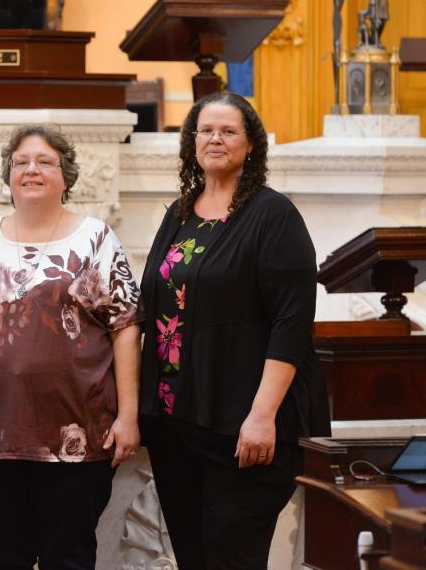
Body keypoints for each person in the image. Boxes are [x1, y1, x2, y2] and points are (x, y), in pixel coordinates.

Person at [0, 124, 143, 570]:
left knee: (69, 558)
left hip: (76, 435)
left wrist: (128, 415)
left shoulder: (97, 239)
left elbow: (125, 327)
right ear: (7, 176)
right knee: (1, 559)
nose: (32, 170)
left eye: (45, 161)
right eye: (21, 162)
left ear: (66, 176)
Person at [138, 92, 331, 570]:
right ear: (192, 142)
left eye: (228, 131)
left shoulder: (273, 215)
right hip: (176, 423)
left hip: (243, 426)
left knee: (232, 558)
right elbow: (153, 304)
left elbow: (292, 322)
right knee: (193, 557)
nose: (215, 139)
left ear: (251, 145)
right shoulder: (181, 212)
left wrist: (262, 415)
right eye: (206, 130)